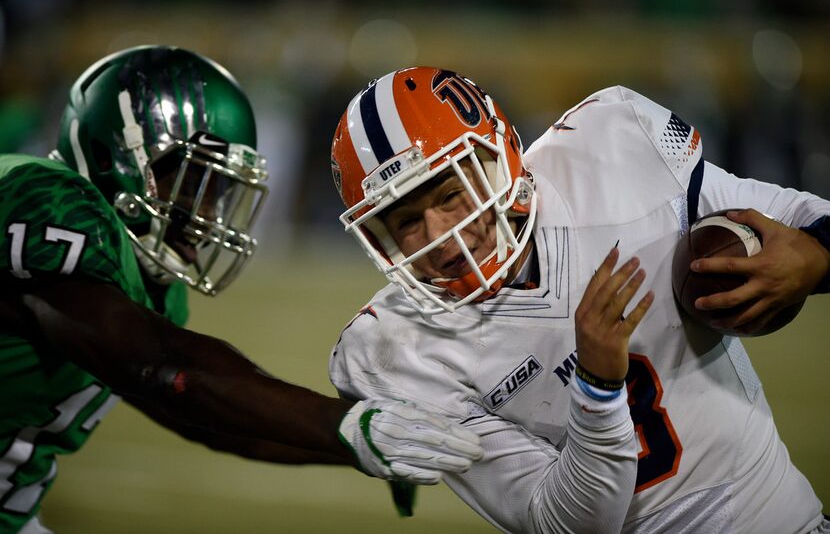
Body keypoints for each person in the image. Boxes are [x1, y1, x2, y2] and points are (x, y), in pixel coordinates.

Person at [0, 49, 485, 534]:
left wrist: (365, 443)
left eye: (220, 193)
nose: (209, 214)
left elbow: (206, 419)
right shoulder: (45, 200)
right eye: (194, 185)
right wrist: (347, 428)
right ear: (115, 158)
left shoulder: (144, 282)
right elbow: (165, 366)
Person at [328, 66, 830, 533]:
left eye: (448, 193)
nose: (441, 235)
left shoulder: (610, 146)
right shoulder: (395, 351)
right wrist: (596, 389)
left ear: (497, 157)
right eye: (405, 221)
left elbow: (800, 217)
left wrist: (815, 257)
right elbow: (561, 524)